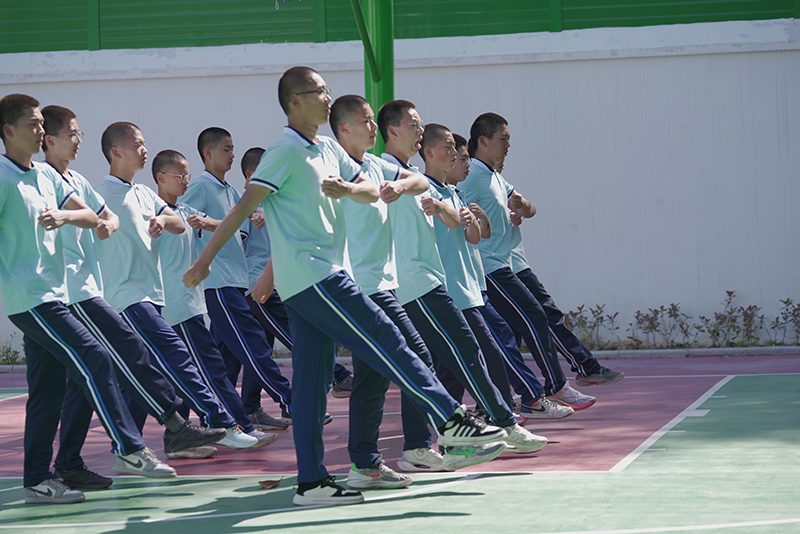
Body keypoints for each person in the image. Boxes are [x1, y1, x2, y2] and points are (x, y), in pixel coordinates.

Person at [184, 67, 508, 506]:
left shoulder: (326, 149)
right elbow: (243, 207)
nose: (327, 97)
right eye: (319, 92)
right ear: (295, 101)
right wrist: (204, 261)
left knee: (310, 385)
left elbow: (367, 191)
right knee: (387, 335)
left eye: (327, 91)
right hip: (314, 276)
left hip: (315, 279)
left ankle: (312, 483)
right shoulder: (283, 152)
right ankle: (449, 418)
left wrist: (348, 190)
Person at [40, 106, 228, 486]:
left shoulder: (87, 183)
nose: (78, 141)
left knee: (81, 380)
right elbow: (87, 218)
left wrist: (109, 221)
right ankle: (186, 425)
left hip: (99, 292)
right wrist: (82, 219)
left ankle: (67, 464)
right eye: (72, 134)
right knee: (139, 355)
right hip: (91, 293)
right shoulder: (43, 180)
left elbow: (109, 217)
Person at [0, 94, 173, 505]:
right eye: (32, 124)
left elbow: (89, 214)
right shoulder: (3, 178)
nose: (40, 130)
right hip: (30, 297)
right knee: (95, 355)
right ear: (8, 131)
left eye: (42, 123)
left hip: (55, 294)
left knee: (47, 393)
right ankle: (129, 447)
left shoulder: (45, 175)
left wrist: (66, 216)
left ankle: (37, 479)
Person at [331, 95, 506, 486]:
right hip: (359, 286)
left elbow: (420, 181)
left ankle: (367, 463)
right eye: (366, 120)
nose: (372, 127)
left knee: (372, 377)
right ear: (344, 128)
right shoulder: (333, 162)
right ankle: (450, 430)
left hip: (385, 284)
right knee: (417, 355)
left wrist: (400, 185)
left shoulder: (378, 165)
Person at [376, 102, 545, 453]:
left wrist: (446, 209)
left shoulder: (419, 178)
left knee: (424, 366)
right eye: (414, 124)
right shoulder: (379, 169)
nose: (419, 129)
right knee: (468, 351)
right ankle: (503, 421)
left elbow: (458, 224)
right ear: (392, 131)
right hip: (415, 284)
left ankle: (421, 447)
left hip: (429, 283)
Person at [93, 122, 255, 449]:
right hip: (126, 298)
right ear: (116, 152)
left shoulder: (144, 194)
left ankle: (127, 445)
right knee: (179, 357)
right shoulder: (99, 195)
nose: (144, 150)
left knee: (146, 372)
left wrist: (161, 220)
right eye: (138, 144)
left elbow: (178, 223)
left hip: (154, 298)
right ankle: (222, 423)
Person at [461, 112, 622, 409]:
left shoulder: (496, 177)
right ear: (483, 141)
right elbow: (454, 211)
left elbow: (529, 208)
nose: (509, 145)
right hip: (489, 268)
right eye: (503, 139)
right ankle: (551, 388)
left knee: (514, 332)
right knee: (533, 319)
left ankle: (504, 402)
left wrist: (520, 208)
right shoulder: (471, 177)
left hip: (507, 264)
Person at [152, 148, 279, 453]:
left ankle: (178, 438)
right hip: (176, 306)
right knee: (210, 369)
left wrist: (250, 214)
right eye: (180, 175)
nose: (186, 180)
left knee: (182, 373)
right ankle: (236, 427)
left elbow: (222, 226)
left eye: (187, 174)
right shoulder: (154, 211)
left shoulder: (185, 210)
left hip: (192, 303)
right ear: (161, 177)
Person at [445, 134, 572, 419]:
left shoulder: (458, 193)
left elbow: (479, 236)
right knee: (488, 344)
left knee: (481, 348)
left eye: (463, 157)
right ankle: (526, 399)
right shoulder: (436, 193)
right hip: (456, 288)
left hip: (473, 284)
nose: (464, 163)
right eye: (459, 157)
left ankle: (493, 411)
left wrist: (482, 219)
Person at [180, 128, 295, 423]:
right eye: (226, 149)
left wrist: (254, 215)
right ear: (208, 153)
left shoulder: (231, 191)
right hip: (218, 283)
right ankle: (291, 400)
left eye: (233, 149)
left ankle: (219, 418)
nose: (232, 155)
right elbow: (183, 220)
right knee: (254, 345)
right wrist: (210, 222)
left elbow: (238, 231)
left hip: (236, 282)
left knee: (221, 359)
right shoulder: (200, 187)